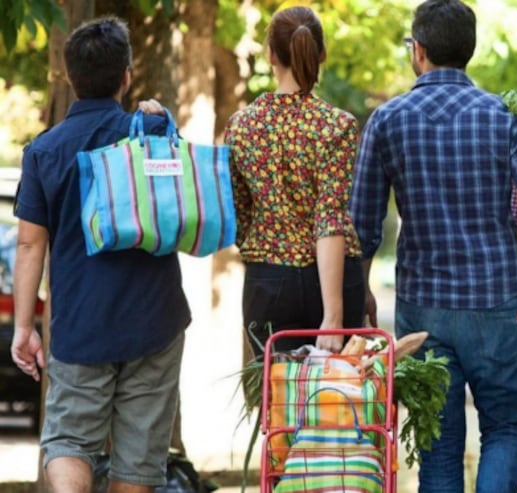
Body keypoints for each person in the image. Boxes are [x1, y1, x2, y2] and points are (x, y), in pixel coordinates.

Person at [350, 1, 517, 491]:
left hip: (425, 307)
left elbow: (363, 224)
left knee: (438, 443)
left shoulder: (387, 121)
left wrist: (362, 294)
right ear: (470, 51)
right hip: (499, 300)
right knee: (505, 430)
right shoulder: (503, 115)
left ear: (418, 51)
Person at [11, 17, 191, 493]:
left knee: (70, 440)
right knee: (137, 459)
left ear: (70, 77)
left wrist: (26, 327)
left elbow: (30, 243)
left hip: (80, 325)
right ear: (126, 75)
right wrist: (160, 119)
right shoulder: (150, 132)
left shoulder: (44, 151)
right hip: (154, 319)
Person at [223, 6, 365, 358]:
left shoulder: (241, 126)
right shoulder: (338, 126)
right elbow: (329, 219)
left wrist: (268, 247)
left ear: (270, 54)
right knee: (338, 401)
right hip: (333, 282)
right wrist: (333, 315)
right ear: (322, 54)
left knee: (275, 402)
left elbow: (239, 210)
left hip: (267, 281)